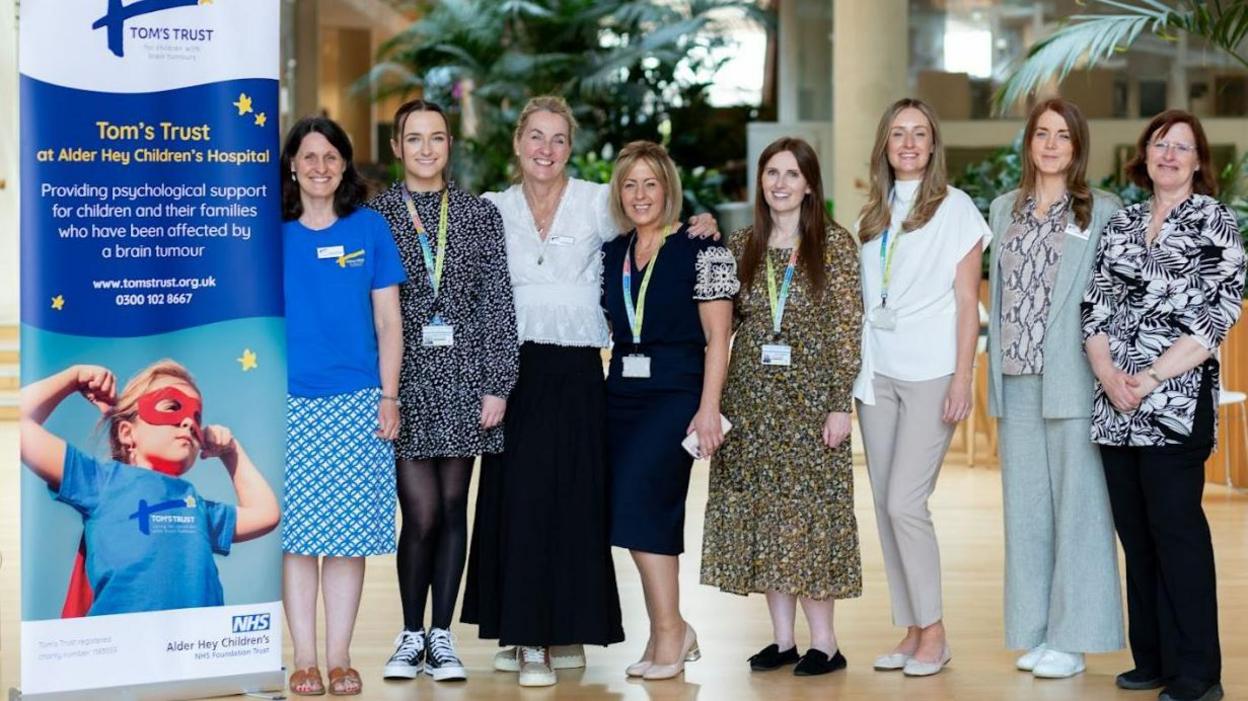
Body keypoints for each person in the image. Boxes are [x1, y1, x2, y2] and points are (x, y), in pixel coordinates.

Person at [460, 95, 718, 688]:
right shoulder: (491, 210)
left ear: (569, 149)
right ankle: (524, 634)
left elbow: (653, 227)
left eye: (557, 140)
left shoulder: (597, 203)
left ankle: (568, 626)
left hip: (580, 373)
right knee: (519, 499)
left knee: (577, 500)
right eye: (536, 138)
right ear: (518, 143)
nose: (545, 150)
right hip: (512, 369)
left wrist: (700, 224)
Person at [1082, 110, 1244, 701]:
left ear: (1199, 160)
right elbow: (1094, 306)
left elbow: (1215, 319)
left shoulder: (1215, 222)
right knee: (1137, 536)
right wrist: (1107, 373)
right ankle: (1151, 659)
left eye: (1182, 147)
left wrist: (1146, 377)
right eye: (1160, 144)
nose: (1169, 155)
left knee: (1177, 535)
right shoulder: (1122, 222)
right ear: (1144, 155)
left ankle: (1198, 673)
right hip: (1113, 407)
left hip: (1174, 403)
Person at [366, 99, 519, 683]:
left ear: (450, 145)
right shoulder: (376, 216)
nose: (426, 149)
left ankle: (442, 636)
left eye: (436, 138)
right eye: (414, 138)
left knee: (455, 507)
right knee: (422, 513)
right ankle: (409, 634)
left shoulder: (479, 215)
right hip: (402, 383)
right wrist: (379, 389)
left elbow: (497, 302)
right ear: (397, 147)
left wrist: (497, 384)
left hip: (466, 380)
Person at [701, 137, 863, 677]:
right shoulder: (742, 242)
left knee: (809, 520)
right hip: (751, 404)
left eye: (792, 174)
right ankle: (783, 640)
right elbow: (724, 323)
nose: (780, 183)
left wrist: (842, 404)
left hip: (811, 404)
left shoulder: (834, 245)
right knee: (766, 520)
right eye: (772, 173)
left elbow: (847, 329)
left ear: (810, 184)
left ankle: (825, 644)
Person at [985, 97, 1125, 679]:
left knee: (1081, 511)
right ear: (1029, 143)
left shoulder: (1103, 210)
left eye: (1062, 135)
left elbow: (1114, 295)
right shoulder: (1002, 209)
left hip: (1073, 376)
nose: (1050, 144)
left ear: (1077, 146)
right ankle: (1039, 631)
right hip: (1016, 379)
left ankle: (1075, 637)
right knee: (1027, 514)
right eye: (1041, 133)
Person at [852, 97, 990, 677]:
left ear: (934, 145)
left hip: (932, 370)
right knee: (886, 507)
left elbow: (967, 301)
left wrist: (964, 375)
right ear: (885, 144)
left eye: (920, 134)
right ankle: (911, 631)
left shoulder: (955, 208)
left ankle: (935, 634)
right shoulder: (873, 213)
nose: (908, 143)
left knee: (908, 502)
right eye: (898, 134)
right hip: (876, 372)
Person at [601, 140, 737, 680]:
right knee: (631, 511)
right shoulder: (612, 252)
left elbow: (719, 337)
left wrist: (709, 409)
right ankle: (668, 631)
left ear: (668, 190)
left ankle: (671, 634)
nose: (640, 195)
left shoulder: (703, 249)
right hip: (620, 396)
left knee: (646, 503)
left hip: (676, 394)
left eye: (650, 184)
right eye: (630, 184)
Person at [280, 116, 406, 697]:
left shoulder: (370, 229)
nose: (320, 167)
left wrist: (388, 395)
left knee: (348, 538)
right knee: (300, 539)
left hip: (358, 400)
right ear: (292, 165)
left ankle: (339, 657)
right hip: (288, 404)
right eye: (309, 156)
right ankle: (303, 657)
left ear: (345, 165)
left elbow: (389, 321)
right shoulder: (270, 233)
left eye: (331, 156)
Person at [19, 360, 279, 616]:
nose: (189, 423)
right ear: (127, 433)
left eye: (196, 417)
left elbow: (266, 513)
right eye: (172, 407)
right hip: (122, 649)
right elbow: (22, 427)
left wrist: (231, 451)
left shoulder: (196, 505)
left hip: (196, 648)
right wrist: (73, 377)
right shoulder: (100, 481)